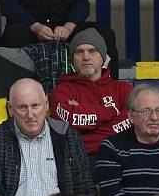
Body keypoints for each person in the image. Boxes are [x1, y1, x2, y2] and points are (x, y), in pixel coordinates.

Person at [50, 28, 132, 159]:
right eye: (79, 52)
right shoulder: (61, 91)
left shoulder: (123, 89)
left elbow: (132, 122)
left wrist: (85, 131)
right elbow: (66, 124)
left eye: (92, 51)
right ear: (72, 59)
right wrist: (110, 111)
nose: (86, 57)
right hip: (79, 161)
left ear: (103, 57)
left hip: (119, 158)